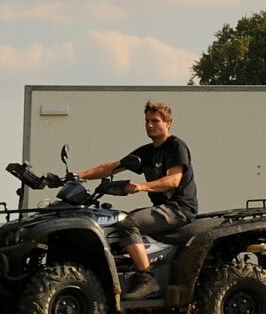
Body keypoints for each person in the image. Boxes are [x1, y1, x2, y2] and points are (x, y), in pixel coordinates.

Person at [76, 100, 197, 296]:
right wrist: (79, 175)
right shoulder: (147, 152)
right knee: (119, 219)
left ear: (168, 123)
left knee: (128, 224)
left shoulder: (176, 146)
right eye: (147, 121)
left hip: (178, 207)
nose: (150, 125)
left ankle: (147, 279)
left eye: (155, 121)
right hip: (163, 208)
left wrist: (142, 186)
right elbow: (111, 167)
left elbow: (174, 180)